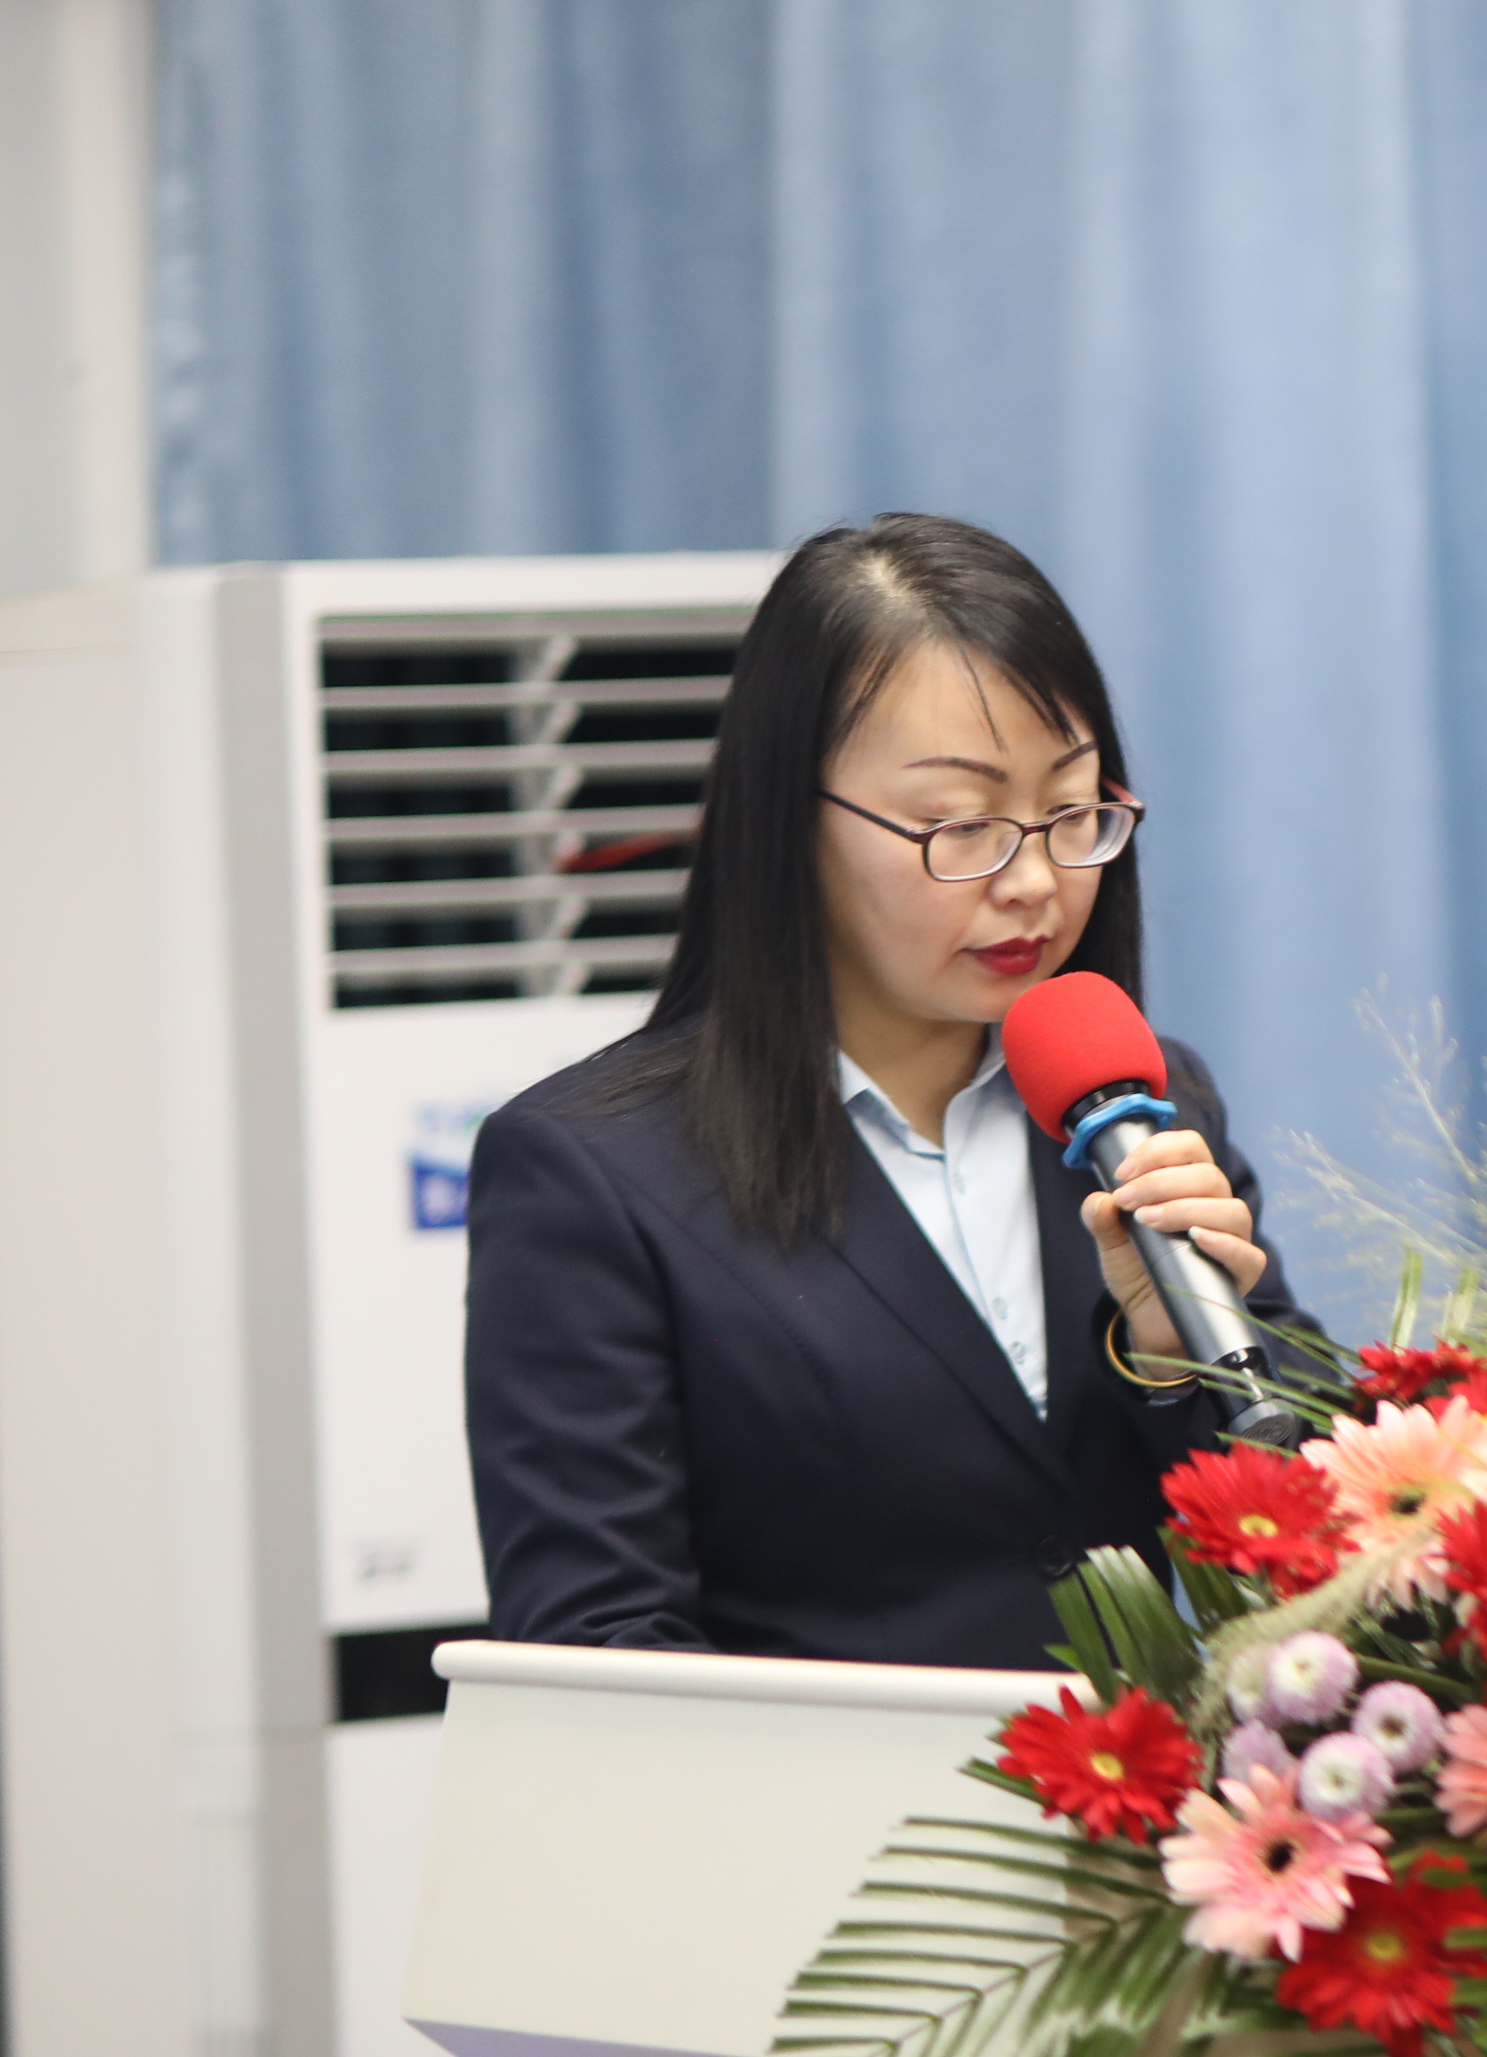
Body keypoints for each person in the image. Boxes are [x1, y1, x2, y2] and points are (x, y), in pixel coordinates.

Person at [464, 512, 1319, 1668]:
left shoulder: (1140, 1105)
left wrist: (1176, 1363)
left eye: (1072, 813)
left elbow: (1326, 1542)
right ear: (789, 819)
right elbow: (600, 1648)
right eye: (958, 825)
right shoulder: (594, 1175)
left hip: (1139, 1782)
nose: (1033, 881)